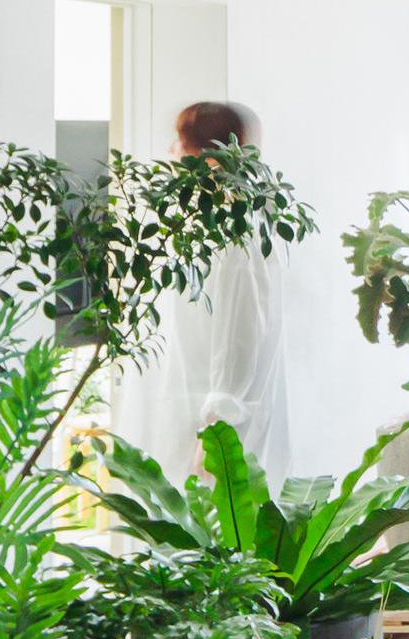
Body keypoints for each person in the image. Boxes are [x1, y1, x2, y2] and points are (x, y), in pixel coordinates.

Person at [117, 101, 295, 475]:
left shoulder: (236, 230)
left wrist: (217, 427)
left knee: (205, 506)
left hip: (210, 426)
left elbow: (240, 333)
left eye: (180, 143)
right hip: (189, 409)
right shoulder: (201, 223)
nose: (170, 152)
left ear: (209, 157)